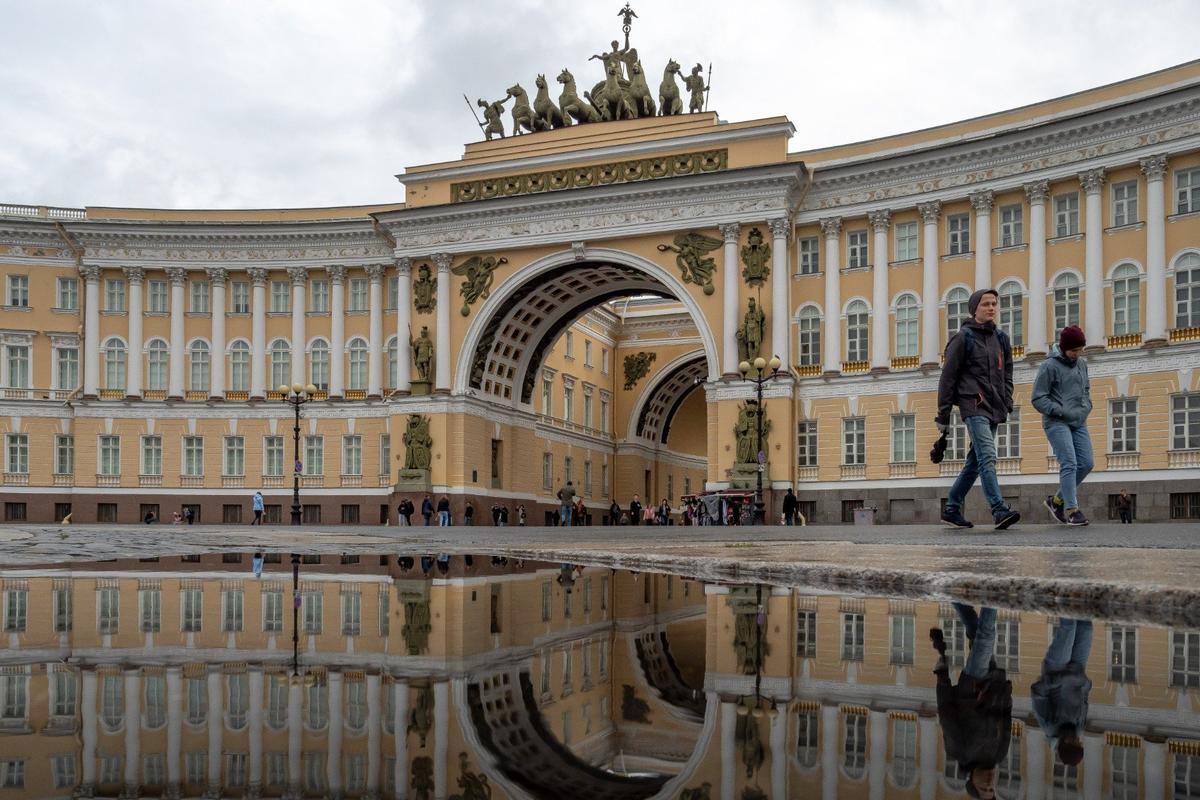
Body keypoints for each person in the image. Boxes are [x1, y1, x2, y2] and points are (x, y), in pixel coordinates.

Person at [936, 288, 1021, 531]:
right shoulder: (963, 338)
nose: (992, 307)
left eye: (994, 303)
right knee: (987, 456)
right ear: (975, 308)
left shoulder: (1001, 339)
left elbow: (1007, 373)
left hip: (995, 405)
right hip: (973, 405)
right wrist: (943, 414)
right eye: (986, 304)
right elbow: (948, 377)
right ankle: (999, 509)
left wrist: (1007, 400)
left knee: (975, 462)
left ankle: (952, 508)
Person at [930, 604, 1012, 800]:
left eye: (984, 789)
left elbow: (946, 713)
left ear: (972, 783)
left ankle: (992, 595)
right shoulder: (999, 754)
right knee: (976, 632)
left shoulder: (959, 751)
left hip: (973, 687)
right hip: (993, 685)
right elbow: (1006, 720)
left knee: (985, 639)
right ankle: (954, 594)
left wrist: (943, 680)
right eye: (992, 789)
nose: (989, 785)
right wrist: (1006, 695)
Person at [1032, 325, 1094, 527]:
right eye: (1074, 350)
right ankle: (1072, 510)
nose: (1078, 354)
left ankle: (1056, 500)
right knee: (1069, 462)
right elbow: (1038, 398)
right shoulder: (1049, 366)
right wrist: (1059, 410)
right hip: (1057, 421)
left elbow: (1085, 390)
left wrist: (1086, 407)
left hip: (1079, 420)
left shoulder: (1082, 364)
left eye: (1080, 350)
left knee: (1086, 463)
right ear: (1064, 347)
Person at [1031, 618, 1093, 772]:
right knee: (1086, 626)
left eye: (1075, 743)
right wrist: (1084, 681)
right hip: (1077, 669)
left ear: (1065, 743)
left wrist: (1061, 678)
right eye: (1080, 742)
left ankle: (1064, 595)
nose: (1078, 739)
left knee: (1069, 626)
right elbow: (1084, 699)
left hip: (1056, 668)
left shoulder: (1049, 726)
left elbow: (1037, 692)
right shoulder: (1078, 728)